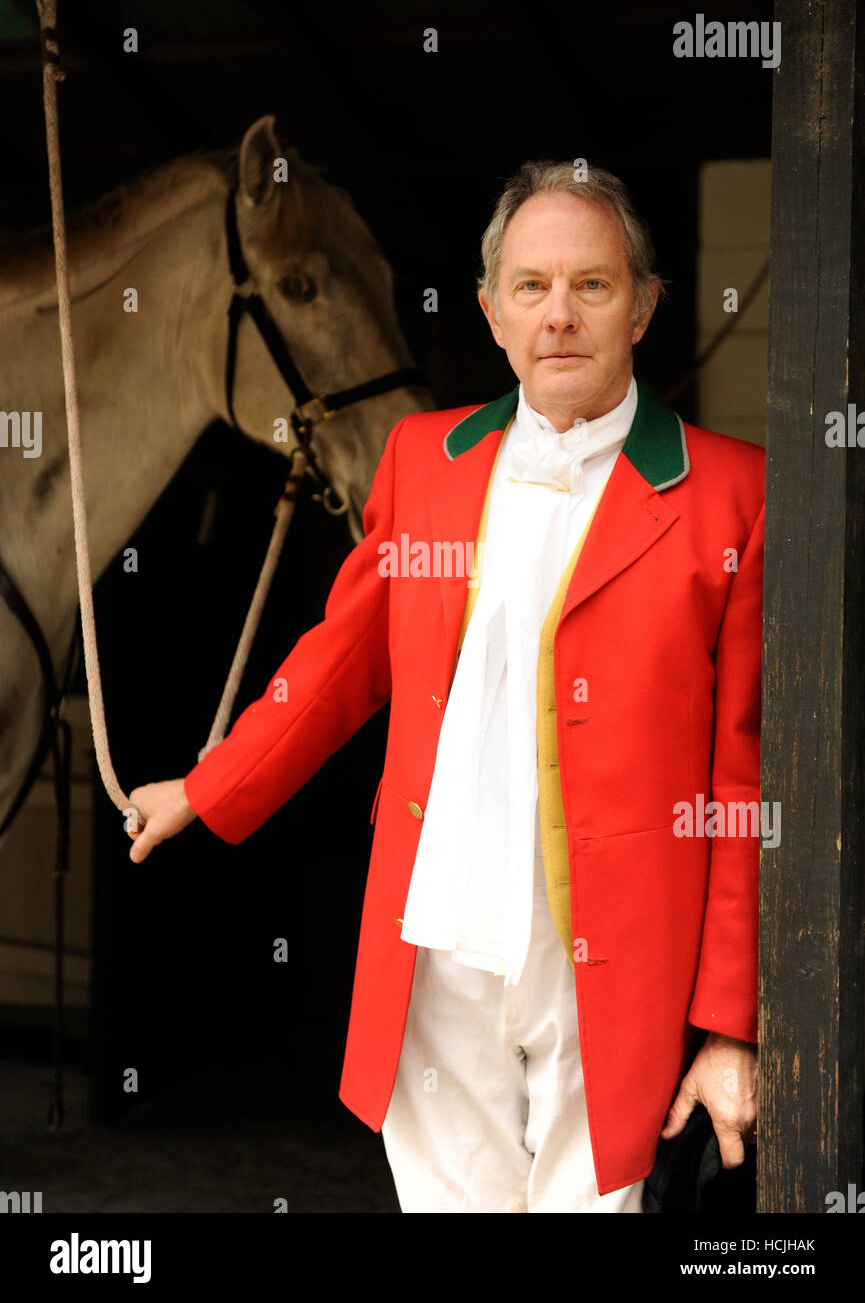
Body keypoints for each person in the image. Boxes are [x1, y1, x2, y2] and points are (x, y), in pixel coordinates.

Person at [127, 161, 762, 1214]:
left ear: (643, 307)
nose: (558, 314)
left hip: (615, 953)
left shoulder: (733, 494)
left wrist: (730, 1021)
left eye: (592, 286)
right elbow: (343, 655)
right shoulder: (424, 459)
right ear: (491, 311)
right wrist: (206, 786)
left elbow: (744, 779)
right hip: (434, 931)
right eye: (530, 287)